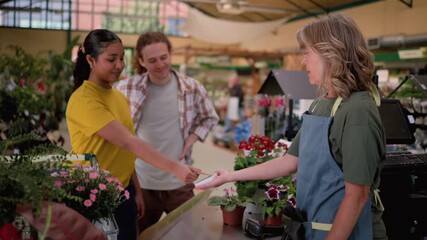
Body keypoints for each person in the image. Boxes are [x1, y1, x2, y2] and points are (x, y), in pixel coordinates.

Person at [197, 14, 387, 240]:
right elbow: (289, 162)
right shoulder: (320, 104)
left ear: (331, 53)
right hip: (315, 229)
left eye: (307, 52)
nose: (302, 61)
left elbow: (357, 196)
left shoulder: (357, 111)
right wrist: (230, 175)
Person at [66, 29, 201, 240]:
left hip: (123, 191)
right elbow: (129, 142)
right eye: (111, 59)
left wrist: (135, 190)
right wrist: (175, 167)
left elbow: (125, 151)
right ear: (91, 60)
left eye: (121, 58)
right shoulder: (84, 100)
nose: (119, 65)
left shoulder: (118, 97)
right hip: (95, 196)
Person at [114, 31, 219, 234]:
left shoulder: (192, 87)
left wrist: (192, 137)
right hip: (143, 184)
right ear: (142, 61)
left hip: (180, 182)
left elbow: (210, 117)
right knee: (139, 234)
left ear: (171, 53)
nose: (160, 64)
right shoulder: (127, 88)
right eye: (152, 60)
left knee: (188, 234)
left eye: (164, 57)